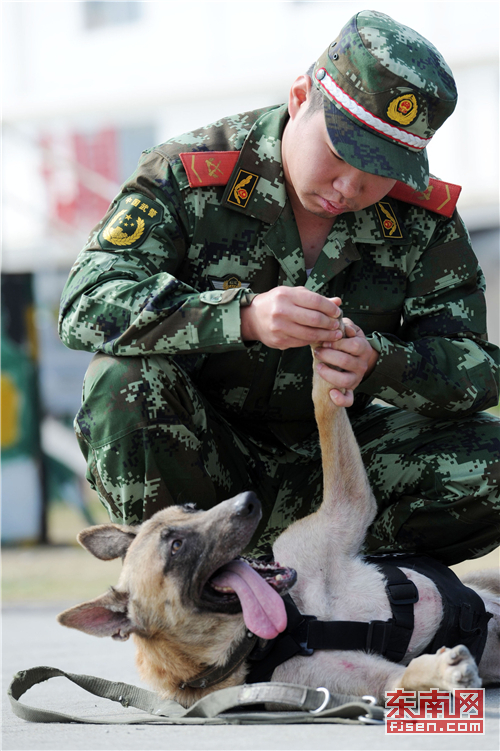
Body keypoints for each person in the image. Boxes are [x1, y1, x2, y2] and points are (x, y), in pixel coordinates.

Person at [59, 10, 499, 565]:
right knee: (121, 381)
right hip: (205, 462)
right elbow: (85, 301)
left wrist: (378, 361)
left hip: (344, 464)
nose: (351, 186)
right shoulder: (189, 174)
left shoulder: (422, 218)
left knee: (491, 459)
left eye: (381, 169)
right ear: (299, 96)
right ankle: (191, 598)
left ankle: (350, 601)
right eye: (342, 151)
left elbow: (477, 371)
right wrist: (239, 317)